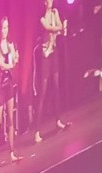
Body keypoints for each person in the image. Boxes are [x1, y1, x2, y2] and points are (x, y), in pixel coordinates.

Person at [0, 18, 21, 173]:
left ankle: (12, 153)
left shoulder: (10, 45)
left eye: (7, 27)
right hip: (0, 89)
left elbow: (15, 59)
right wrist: (12, 63)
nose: (5, 30)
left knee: (11, 121)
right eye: (3, 28)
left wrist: (16, 57)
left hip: (9, 86)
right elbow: (3, 65)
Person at [34, 0, 69, 143]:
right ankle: (36, 131)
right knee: (43, 92)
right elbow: (50, 28)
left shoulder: (55, 12)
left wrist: (58, 28)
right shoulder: (42, 17)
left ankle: (58, 120)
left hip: (53, 52)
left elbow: (59, 27)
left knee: (56, 86)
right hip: (45, 55)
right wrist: (58, 28)